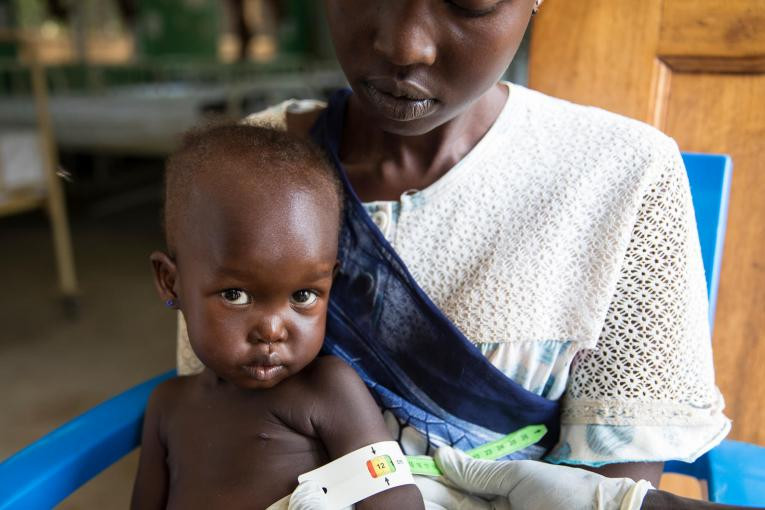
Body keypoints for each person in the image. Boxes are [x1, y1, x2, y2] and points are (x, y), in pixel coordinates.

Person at [176, 1, 738, 508]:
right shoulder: (243, 165)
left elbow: (613, 487)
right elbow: (213, 414)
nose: (404, 46)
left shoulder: (621, 176)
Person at [131, 124, 424, 510]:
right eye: (235, 295)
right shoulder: (167, 406)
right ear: (172, 282)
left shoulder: (328, 390)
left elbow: (396, 500)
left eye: (303, 295)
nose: (272, 329)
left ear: (330, 284)